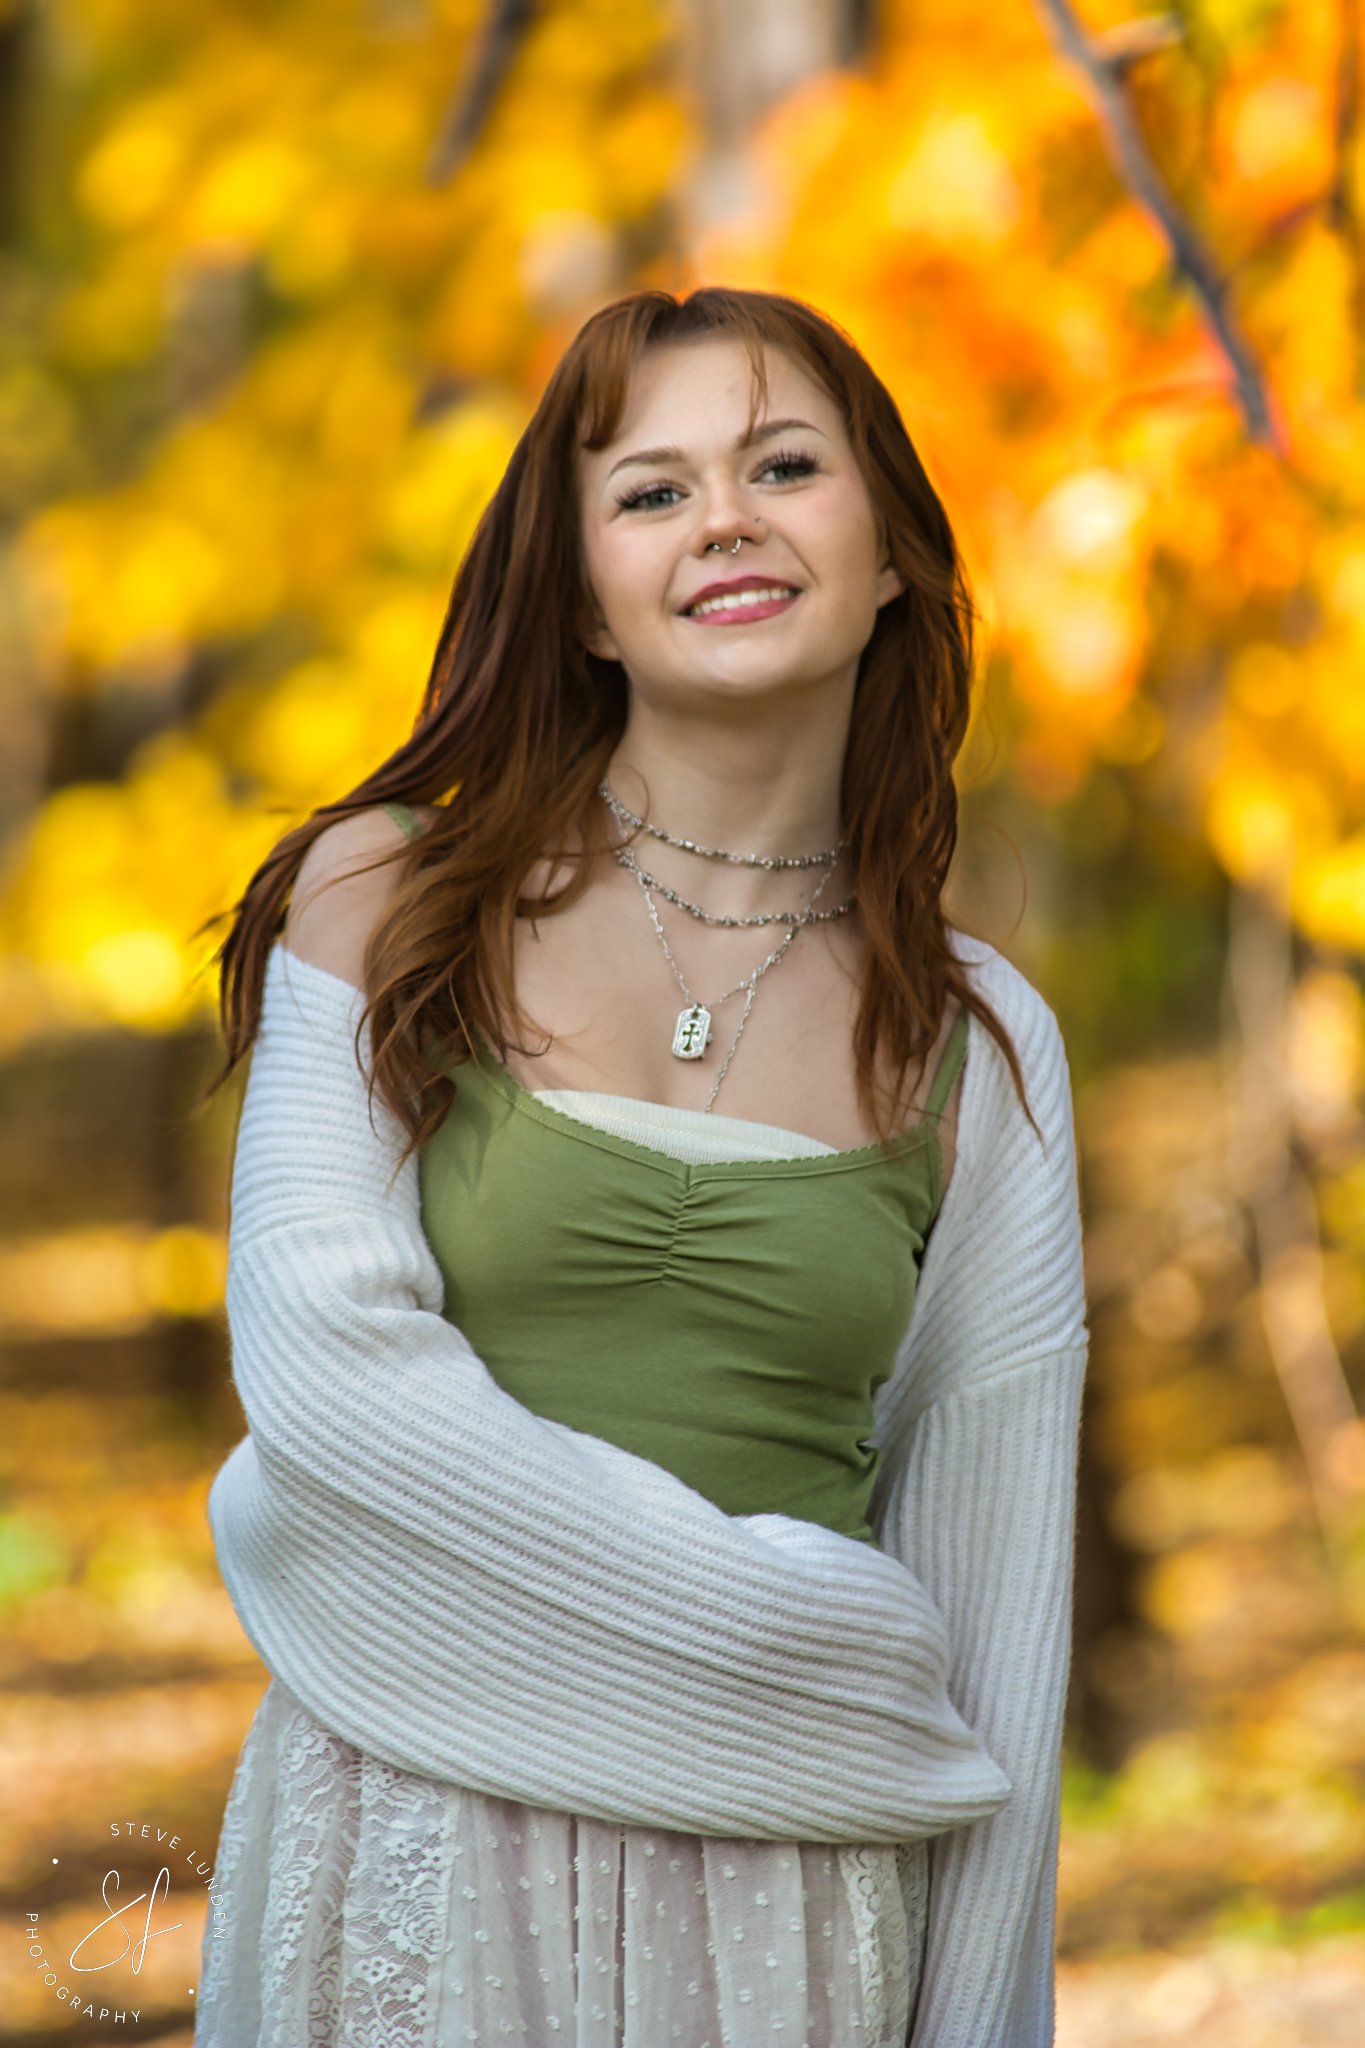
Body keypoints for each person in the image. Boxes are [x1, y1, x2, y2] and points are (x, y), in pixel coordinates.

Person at [193, 285, 1089, 2046]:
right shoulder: (386, 904)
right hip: (412, 1835)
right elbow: (325, 1386)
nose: (725, 520)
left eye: (781, 465)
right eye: (651, 490)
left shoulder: (974, 1039)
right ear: (585, 600)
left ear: (892, 552)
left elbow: (996, 1627)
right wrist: (810, 1636)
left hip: (791, 1906)